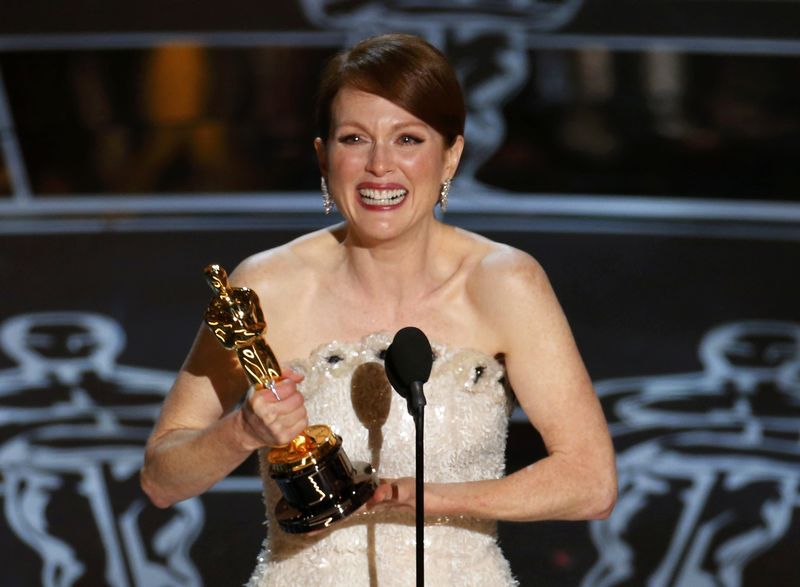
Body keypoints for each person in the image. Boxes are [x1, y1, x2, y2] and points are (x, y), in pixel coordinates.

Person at [140, 33, 617, 586]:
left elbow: (590, 481)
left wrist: (421, 499)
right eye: (354, 139)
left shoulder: (505, 283)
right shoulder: (266, 286)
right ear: (323, 156)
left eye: (408, 138)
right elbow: (161, 479)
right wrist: (242, 431)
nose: (380, 166)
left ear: (451, 155)